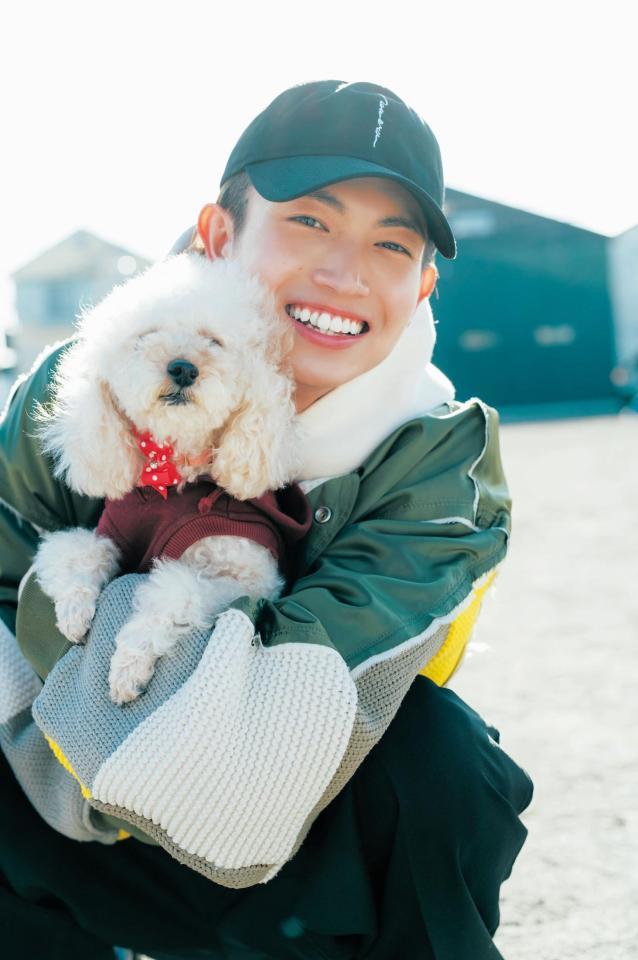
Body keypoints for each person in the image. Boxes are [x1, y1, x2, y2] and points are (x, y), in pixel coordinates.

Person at [0, 80, 533, 959]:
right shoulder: (92, 377)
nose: (345, 273)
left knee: (444, 759)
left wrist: (87, 626)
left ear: (425, 282)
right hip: (67, 809)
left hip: (292, 820)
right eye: (311, 222)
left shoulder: (438, 453)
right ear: (217, 235)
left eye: (391, 244)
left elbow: (301, 689)